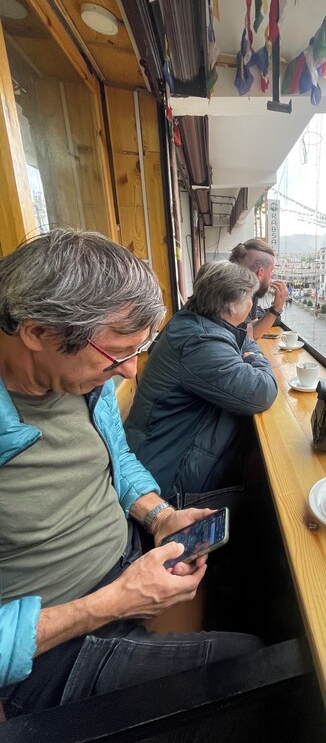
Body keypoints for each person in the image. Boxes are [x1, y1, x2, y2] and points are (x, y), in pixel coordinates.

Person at [0, 231, 261, 718]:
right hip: (51, 643)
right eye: (119, 354)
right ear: (37, 333)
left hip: (126, 563)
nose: (130, 373)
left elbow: (116, 461)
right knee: (249, 674)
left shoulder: (80, 382)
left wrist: (160, 516)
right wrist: (112, 603)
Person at [125, 261, 278, 505]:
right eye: (249, 298)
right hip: (168, 475)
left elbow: (243, 339)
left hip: (165, 447)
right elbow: (261, 391)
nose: (251, 306)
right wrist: (258, 358)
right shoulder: (200, 341)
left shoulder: (196, 321)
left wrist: (248, 348)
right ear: (230, 305)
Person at [229, 239, 287, 339]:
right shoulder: (235, 295)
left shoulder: (252, 291)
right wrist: (276, 309)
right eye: (271, 270)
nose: (271, 276)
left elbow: (251, 326)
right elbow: (249, 337)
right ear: (260, 272)